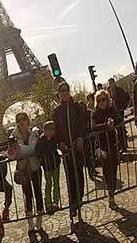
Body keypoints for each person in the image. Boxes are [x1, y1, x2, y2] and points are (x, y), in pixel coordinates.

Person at [53, 81, 86, 221]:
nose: (65, 92)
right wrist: (60, 143)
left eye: (66, 90)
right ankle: (73, 203)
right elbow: (56, 130)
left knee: (79, 173)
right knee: (70, 176)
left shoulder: (76, 107)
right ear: (58, 94)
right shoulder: (57, 111)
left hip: (76, 147)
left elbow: (83, 123)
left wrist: (80, 137)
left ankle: (79, 199)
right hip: (66, 149)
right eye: (62, 91)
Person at [9, 112, 44, 233]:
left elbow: (37, 148)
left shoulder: (34, 133)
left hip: (35, 166)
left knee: (38, 192)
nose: (21, 122)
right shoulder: (13, 137)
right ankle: (30, 221)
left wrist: (24, 151)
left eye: (23, 119)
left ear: (28, 120)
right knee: (27, 195)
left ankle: (39, 218)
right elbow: (13, 155)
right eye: (18, 120)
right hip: (23, 169)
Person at [91, 90, 121, 210]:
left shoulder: (112, 110)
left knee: (113, 169)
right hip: (100, 146)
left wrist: (113, 122)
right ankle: (111, 195)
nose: (101, 102)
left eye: (104, 99)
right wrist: (106, 125)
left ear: (107, 99)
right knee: (106, 161)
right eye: (99, 100)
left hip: (113, 144)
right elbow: (93, 127)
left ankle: (111, 193)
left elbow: (119, 120)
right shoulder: (94, 113)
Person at [35, 121, 61, 214]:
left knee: (56, 183)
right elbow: (37, 151)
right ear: (44, 130)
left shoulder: (55, 138)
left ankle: (55, 202)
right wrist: (41, 160)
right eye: (48, 130)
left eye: (52, 130)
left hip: (55, 164)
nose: (50, 132)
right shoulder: (41, 140)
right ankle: (48, 203)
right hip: (47, 165)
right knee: (48, 184)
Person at [108, 78, 130, 152]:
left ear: (114, 83)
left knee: (121, 128)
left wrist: (123, 107)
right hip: (114, 112)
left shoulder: (119, 90)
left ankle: (124, 146)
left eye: (111, 83)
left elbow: (127, 97)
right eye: (109, 83)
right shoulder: (109, 91)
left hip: (119, 111)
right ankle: (121, 145)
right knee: (118, 129)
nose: (110, 85)